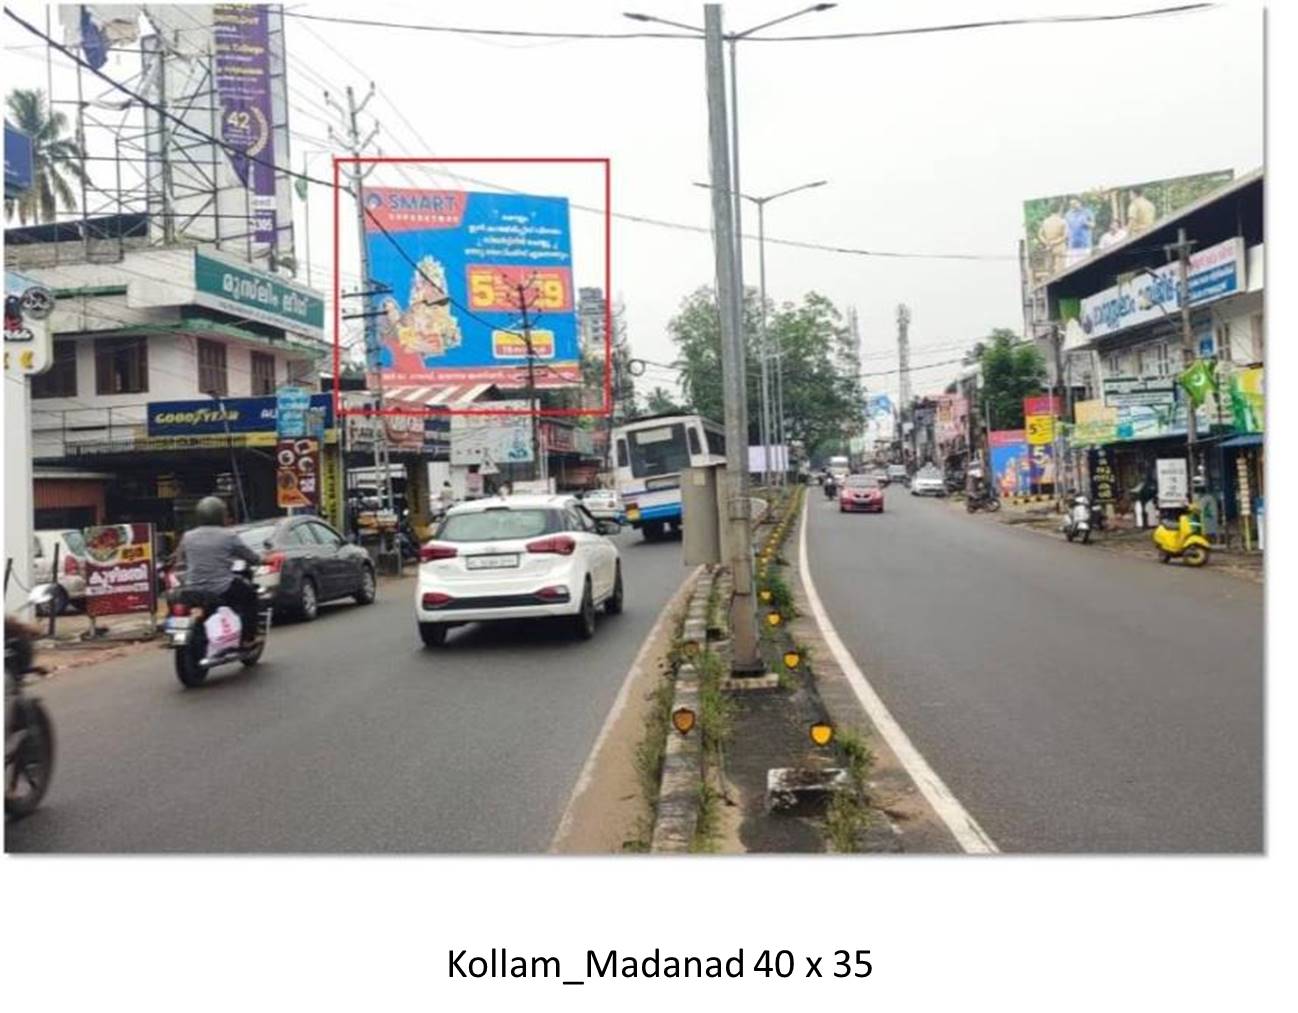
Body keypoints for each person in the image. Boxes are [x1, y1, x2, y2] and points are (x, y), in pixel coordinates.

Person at [174, 496, 262, 647]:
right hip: (221, 588)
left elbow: (179, 560)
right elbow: (252, 558)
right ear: (221, 515)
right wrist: (265, 559)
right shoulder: (228, 535)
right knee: (250, 596)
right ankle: (248, 638)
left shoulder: (187, 536)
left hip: (192, 587)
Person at [1037, 205, 1068, 276]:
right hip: (1059, 247)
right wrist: (1055, 242)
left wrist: (1046, 242)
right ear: (1059, 210)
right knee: (1060, 271)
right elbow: (1065, 236)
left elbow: (1039, 234)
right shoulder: (1062, 221)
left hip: (1048, 247)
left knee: (1049, 269)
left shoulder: (1045, 221)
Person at [1064, 198, 1095, 266]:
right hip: (1072, 245)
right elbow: (1067, 228)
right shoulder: (1068, 214)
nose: (1073, 205)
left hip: (1084, 244)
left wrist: (1086, 223)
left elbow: (1093, 225)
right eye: (1071, 204)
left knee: (1085, 265)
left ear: (1079, 202)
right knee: (1072, 267)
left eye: (1074, 203)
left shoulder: (1087, 212)